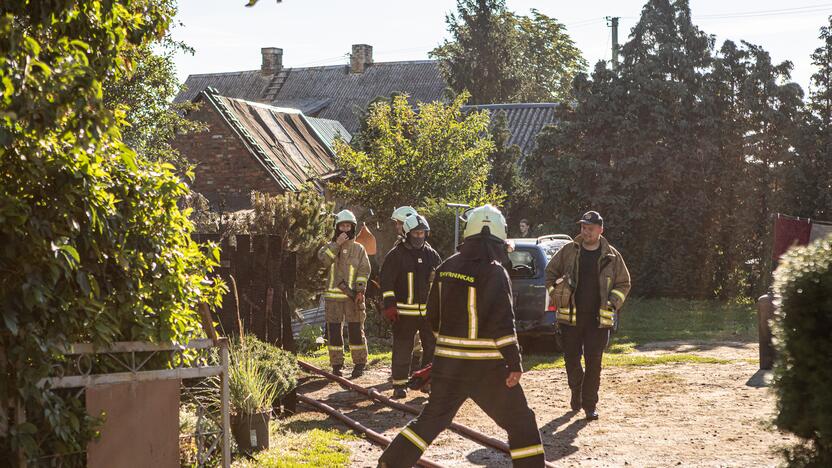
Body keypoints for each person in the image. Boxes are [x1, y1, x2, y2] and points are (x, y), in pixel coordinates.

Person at [379, 205, 545, 468]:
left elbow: (431, 318)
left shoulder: (445, 267)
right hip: (488, 370)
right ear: (497, 235)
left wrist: (449, 348)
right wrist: (514, 362)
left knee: (431, 420)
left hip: (448, 366)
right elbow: (502, 323)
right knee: (521, 422)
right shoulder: (495, 271)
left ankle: (390, 463)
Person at [544, 211, 630, 420]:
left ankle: (589, 404)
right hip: (570, 319)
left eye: (590, 228)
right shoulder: (568, 251)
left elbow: (624, 282)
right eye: (583, 227)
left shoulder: (612, 255)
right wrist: (556, 293)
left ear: (601, 230)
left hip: (598, 320)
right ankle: (577, 392)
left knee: (594, 363)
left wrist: (613, 302)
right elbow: (550, 274)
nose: (586, 232)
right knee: (571, 360)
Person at [380, 213, 442, 399]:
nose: (419, 236)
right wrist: (390, 306)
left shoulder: (432, 255)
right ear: (407, 234)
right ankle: (399, 385)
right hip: (404, 314)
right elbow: (387, 282)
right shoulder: (396, 255)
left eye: (422, 233)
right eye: (415, 233)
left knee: (431, 347)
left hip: (428, 315)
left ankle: (427, 383)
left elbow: (440, 283)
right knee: (402, 348)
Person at [317, 209, 372, 378]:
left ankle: (359, 364)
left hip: (352, 298)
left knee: (356, 331)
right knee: (334, 332)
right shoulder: (329, 247)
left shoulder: (359, 249)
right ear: (337, 228)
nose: (345, 229)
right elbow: (323, 260)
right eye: (342, 226)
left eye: (348, 226)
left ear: (353, 228)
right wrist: (336, 244)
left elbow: (364, 270)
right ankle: (336, 365)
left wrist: (360, 290)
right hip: (333, 299)